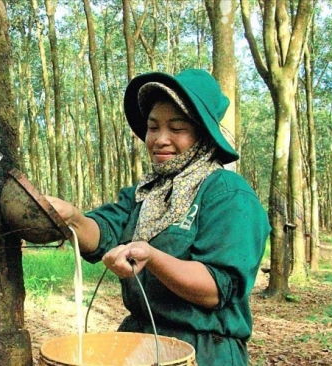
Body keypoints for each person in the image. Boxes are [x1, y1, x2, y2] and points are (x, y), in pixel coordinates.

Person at [46, 69, 271, 365]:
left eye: (176, 129)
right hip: (140, 344)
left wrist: (152, 257)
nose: (160, 139)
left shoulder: (227, 194)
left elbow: (215, 290)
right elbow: (102, 233)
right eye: (153, 127)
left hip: (204, 351)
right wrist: (71, 218)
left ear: (203, 134)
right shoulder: (144, 192)